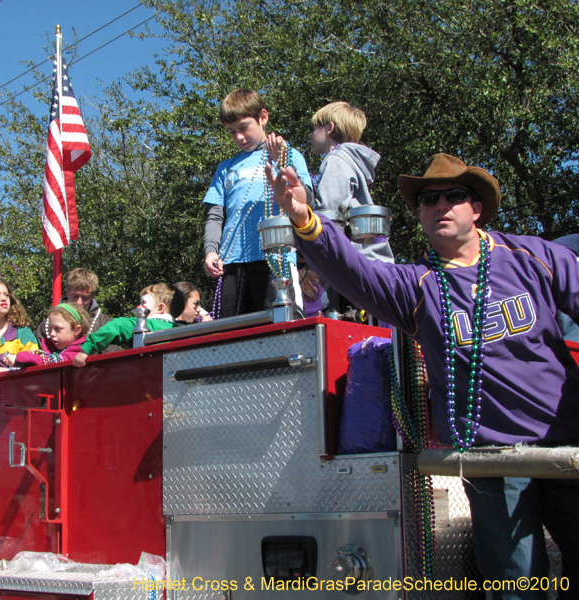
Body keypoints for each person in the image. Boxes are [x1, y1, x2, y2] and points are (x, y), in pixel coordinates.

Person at [267, 152, 579, 592]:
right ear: (418, 214)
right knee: (517, 583)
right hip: (489, 459)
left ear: (477, 207)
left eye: (455, 195)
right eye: (429, 198)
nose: (441, 205)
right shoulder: (416, 286)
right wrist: (304, 219)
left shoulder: (535, 257)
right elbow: (354, 272)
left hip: (565, 444)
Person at [203, 88, 312, 318]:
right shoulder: (225, 167)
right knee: (233, 337)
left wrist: (281, 164)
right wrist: (210, 251)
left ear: (263, 117)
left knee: (279, 331)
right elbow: (215, 215)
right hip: (230, 264)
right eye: (231, 132)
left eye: (243, 128)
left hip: (274, 258)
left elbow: (305, 202)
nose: (239, 137)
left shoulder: (289, 155)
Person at [305, 101, 393, 263]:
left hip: (355, 260)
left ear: (330, 128)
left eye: (315, 128)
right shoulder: (351, 160)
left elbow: (329, 212)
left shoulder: (337, 158)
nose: (311, 135)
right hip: (370, 255)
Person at [73, 283, 177, 367]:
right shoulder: (179, 329)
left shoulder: (142, 324)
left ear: (160, 309)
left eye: (144, 302)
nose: (138, 306)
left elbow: (117, 326)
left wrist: (86, 349)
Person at [34, 268, 119, 353]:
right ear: (67, 292)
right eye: (75, 296)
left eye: (85, 298)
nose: (79, 303)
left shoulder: (104, 324)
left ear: (93, 295)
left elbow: (113, 361)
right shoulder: (47, 326)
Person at [20, 302, 90, 364]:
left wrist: (27, 357)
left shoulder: (80, 351)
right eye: (50, 329)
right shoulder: (55, 351)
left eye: (58, 329)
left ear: (76, 330)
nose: (52, 334)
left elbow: (54, 362)